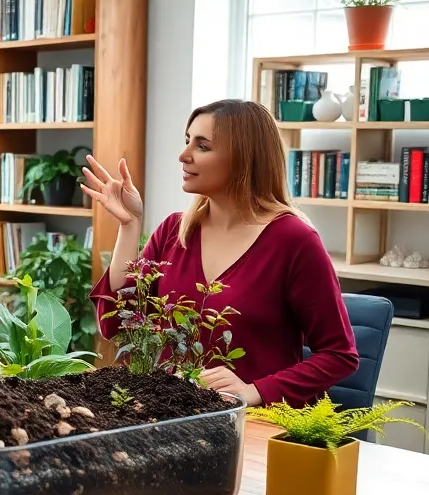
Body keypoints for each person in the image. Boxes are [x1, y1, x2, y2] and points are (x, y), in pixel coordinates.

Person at [84, 98, 358, 407]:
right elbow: (116, 325)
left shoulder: (294, 240)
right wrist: (130, 226)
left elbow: (339, 355)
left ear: (243, 158)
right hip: (178, 417)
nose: (183, 155)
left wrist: (255, 390)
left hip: (257, 425)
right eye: (187, 141)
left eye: (202, 146)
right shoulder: (174, 231)